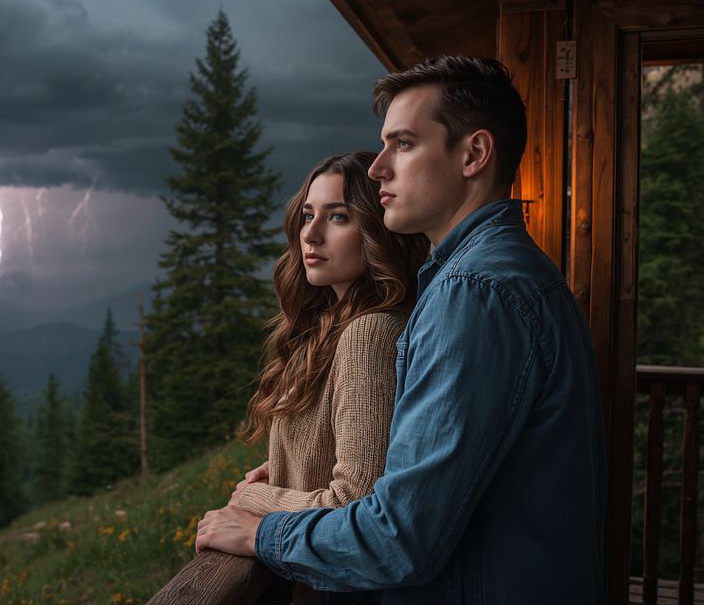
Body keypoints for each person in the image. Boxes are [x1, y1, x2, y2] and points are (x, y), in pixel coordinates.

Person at [196, 56, 606, 604]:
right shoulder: (496, 278)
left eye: (404, 143)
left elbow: (399, 537)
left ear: (474, 154)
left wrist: (260, 523)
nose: (378, 167)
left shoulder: (476, 294)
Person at [200, 151, 428, 603]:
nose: (311, 232)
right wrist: (284, 468)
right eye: (308, 215)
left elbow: (354, 504)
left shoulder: (371, 332)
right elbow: (347, 449)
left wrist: (253, 500)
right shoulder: (332, 325)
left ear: (377, 230)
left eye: (338, 216)